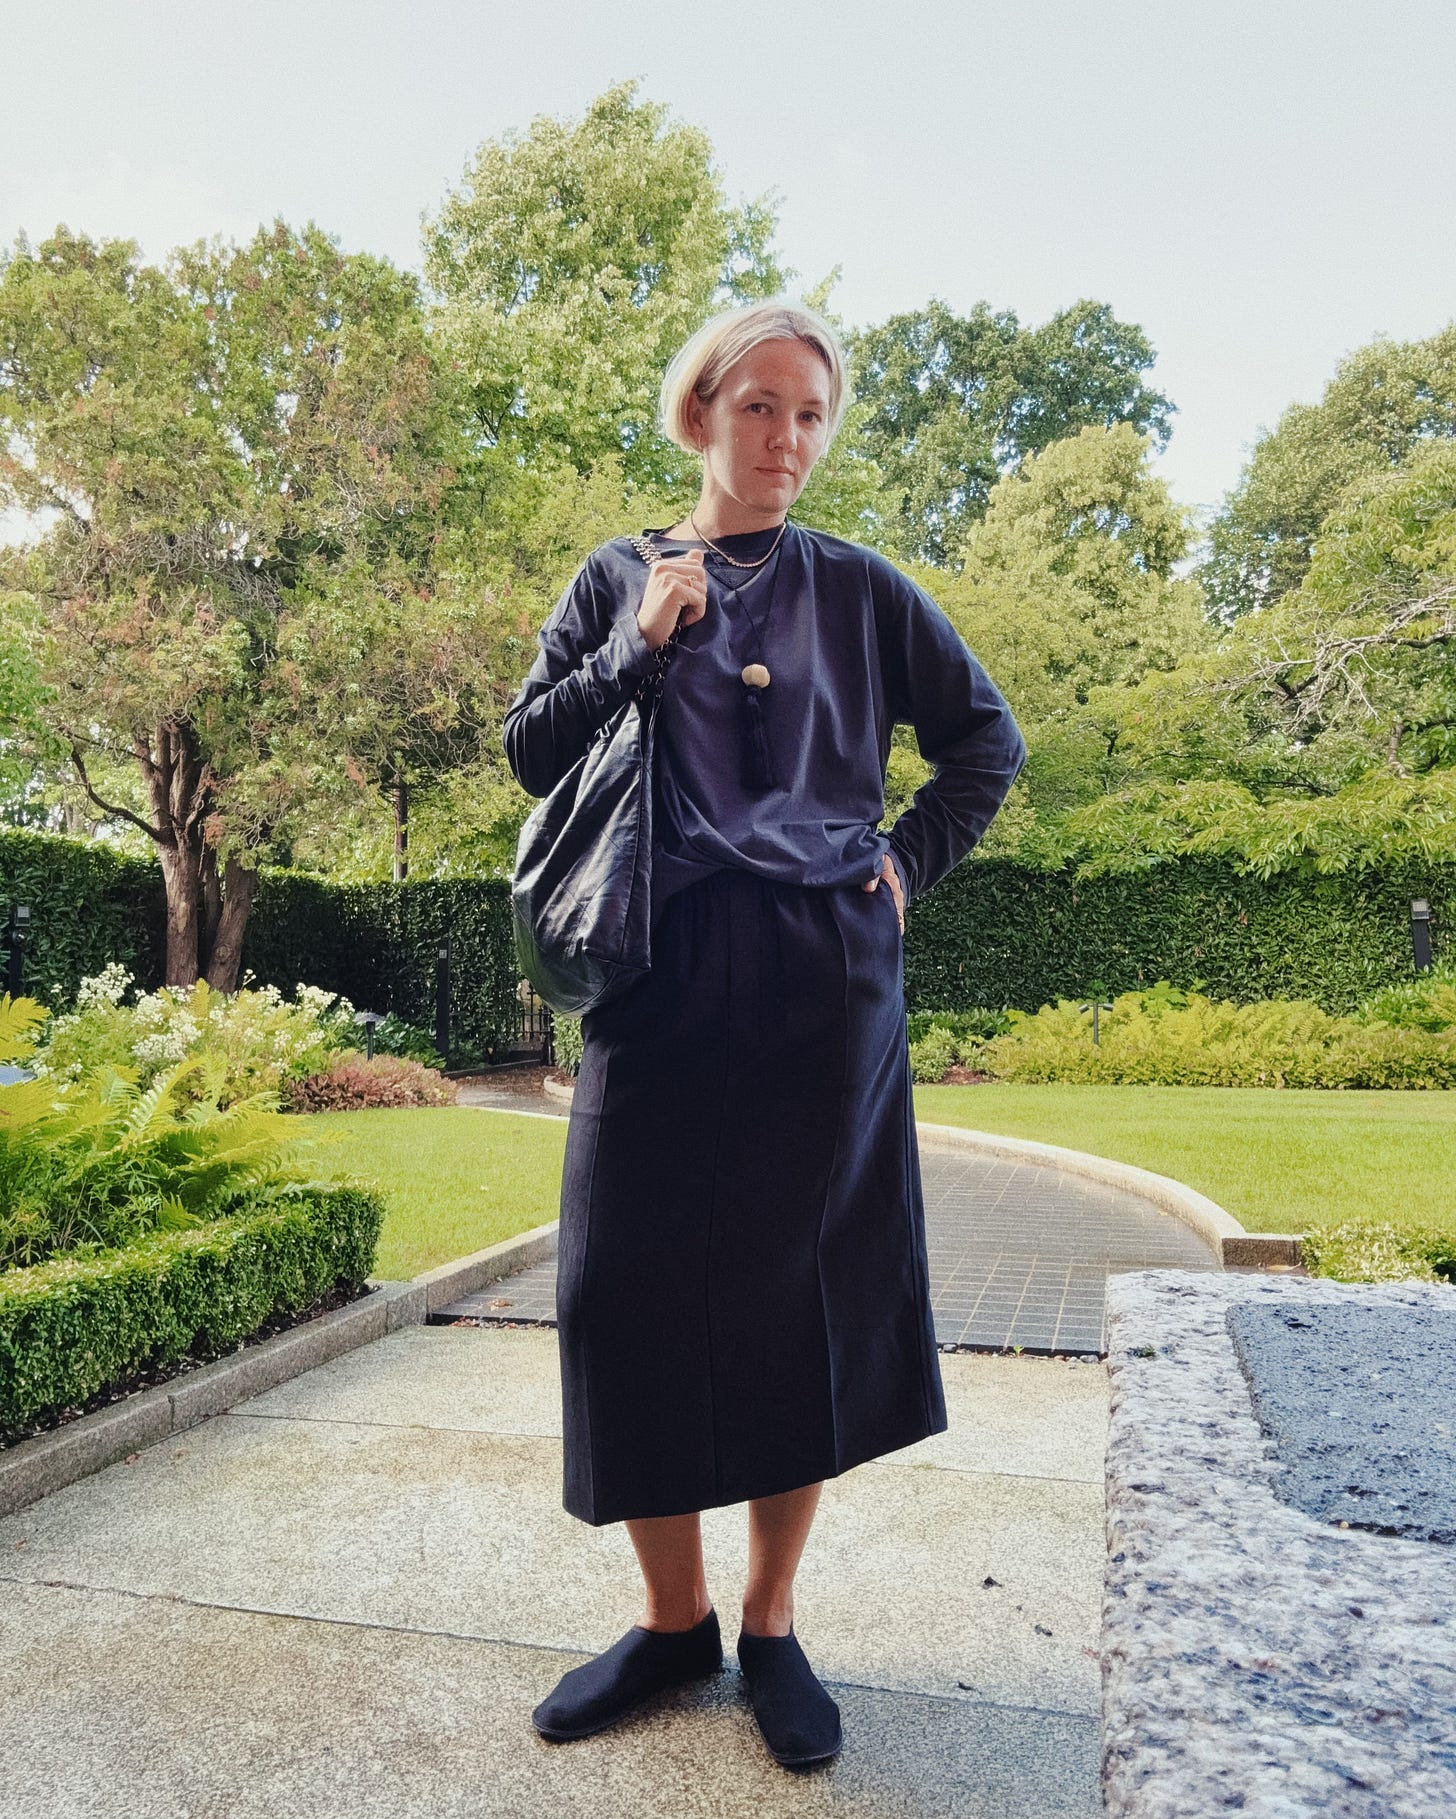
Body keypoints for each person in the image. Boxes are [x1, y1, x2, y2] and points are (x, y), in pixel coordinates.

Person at [501, 298, 1027, 1769]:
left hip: (819, 976)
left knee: (805, 1296)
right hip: (655, 969)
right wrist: (635, 648)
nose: (787, 438)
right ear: (698, 415)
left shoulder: (860, 586)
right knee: (622, 1290)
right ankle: (671, 1623)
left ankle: (772, 1622)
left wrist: (905, 865)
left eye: (809, 414)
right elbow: (530, 752)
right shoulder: (618, 574)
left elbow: (985, 744)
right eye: (759, 407)